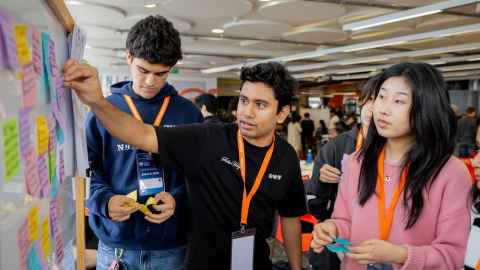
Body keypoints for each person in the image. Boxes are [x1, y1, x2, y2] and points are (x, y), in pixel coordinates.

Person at [64, 60, 307, 270]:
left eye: (260, 105)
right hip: (201, 263)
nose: (246, 112)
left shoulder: (286, 157)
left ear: (282, 113)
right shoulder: (209, 138)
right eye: (243, 101)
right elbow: (141, 135)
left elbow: (290, 217)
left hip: (255, 262)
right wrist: (98, 102)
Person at [311, 62, 472, 269]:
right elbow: (345, 221)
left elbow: (452, 254)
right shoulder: (355, 163)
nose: (383, 110)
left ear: (426, 108)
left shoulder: (450, 173)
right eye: (381, 97)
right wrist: (331, 228)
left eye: (398, 101)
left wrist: (400, 255)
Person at [85, 15, 203, 270]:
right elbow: (86, 170)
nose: (151, 81)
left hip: (171, 248)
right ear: (129, 57)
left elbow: (199, 175)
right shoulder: (104, 111)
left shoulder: (188, 114)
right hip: (116, 246)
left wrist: (177, 199)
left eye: (161, 73)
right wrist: (104, 201)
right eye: (144, 70)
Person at [305, 74, 379, 270]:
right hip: (339, 244)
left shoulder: (401, 154)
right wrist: (322, 182)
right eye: (369, 99)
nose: (372, 108)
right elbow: (316, 207)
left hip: (384, 248)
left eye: (380, 99)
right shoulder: (336, 147)